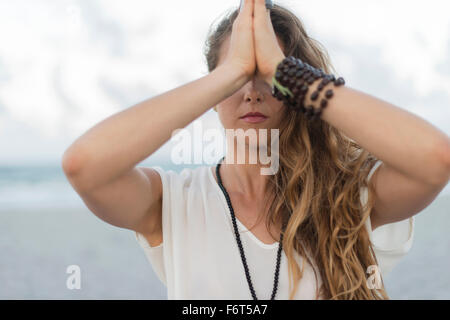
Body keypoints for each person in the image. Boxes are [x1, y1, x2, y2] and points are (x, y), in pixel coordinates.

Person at [62, 0, 450, 299]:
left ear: (296, 91)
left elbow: (435, 158)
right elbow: (85, 165)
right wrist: (231, 72)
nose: (251, 93)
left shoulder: (348, 194)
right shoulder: (174, 202)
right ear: (212, 92)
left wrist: (285, 71)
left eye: (266, 78)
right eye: (236, 76)